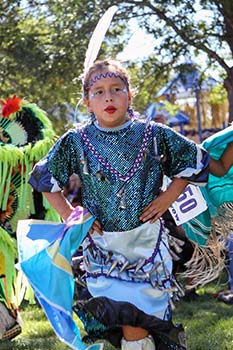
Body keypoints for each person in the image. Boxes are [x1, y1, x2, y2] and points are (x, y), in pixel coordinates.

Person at [28, 59, 233, 350]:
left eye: (116, 88)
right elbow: (44, 179)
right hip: (103, 249)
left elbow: (197, 165)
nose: (108, 97)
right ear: (87, 101)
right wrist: (73, 214)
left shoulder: (154, 134)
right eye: (98, 91)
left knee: (146, 322)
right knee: (132, 325)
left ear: (129, 95)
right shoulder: (76, 140)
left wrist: (167, 197)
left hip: (147, 245)